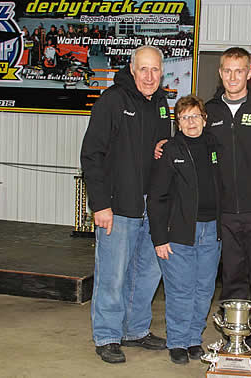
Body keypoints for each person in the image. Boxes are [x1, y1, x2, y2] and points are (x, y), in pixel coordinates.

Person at [154, 48, 251, 334]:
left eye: (238, 70)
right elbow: (187, 141)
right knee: (231, 278)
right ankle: (235, 336)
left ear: (249, 72)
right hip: (223, 216)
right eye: (227, 70)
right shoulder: (210, 111)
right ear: (220, 73)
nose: (232, 76)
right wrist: (162, 146)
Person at [80, 45, 169, 364]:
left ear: (162, 72)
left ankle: (135, 330)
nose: (149, 76)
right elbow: (91, 154)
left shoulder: (161, 103)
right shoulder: (112, 101)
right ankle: (107, 335)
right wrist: (100, 204)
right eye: (143, 69)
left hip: (153, 206)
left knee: (147, 273)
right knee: (113, 275)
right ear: (132, 70)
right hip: (118, 206)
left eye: (155, 70)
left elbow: (162, 150)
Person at [147, 95, 222, 365]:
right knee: (181, 290)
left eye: (195, 116)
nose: (191, 122)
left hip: (212, 232)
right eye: (184, 118)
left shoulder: (215, 145)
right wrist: (159, 237)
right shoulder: (170, 151)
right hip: (179, 234)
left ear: (204, 118)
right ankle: (177, 341)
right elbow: (156, 197)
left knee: (204, 290)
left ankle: (193, 339)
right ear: (177, 123)